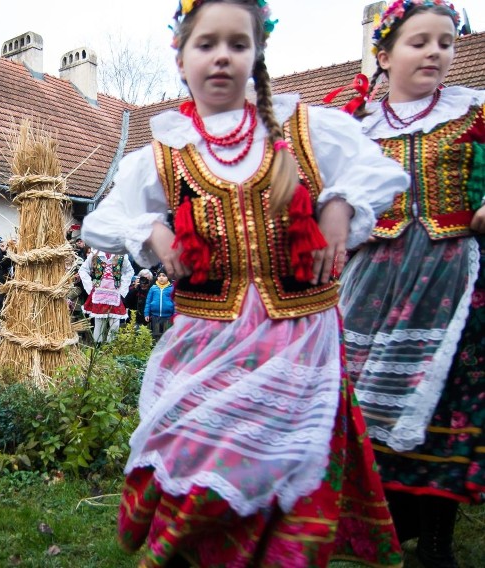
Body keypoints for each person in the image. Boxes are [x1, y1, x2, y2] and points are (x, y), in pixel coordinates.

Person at [81, 1, 411, 566]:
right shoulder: (164, 153)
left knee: (287, 463)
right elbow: (101, 220)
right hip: (208, 338)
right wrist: (154, 231)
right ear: (180, 56)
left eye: (238, 44)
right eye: (206, 44)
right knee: (206, 459)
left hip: (298, 336)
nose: (222, 57)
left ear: (257, 54)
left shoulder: (304, 130)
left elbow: (377, 169)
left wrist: (339, 204)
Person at [337, 2, 485, 566]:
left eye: (444, 42)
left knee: (444, 406)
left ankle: (440, 541)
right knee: (367, 401)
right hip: (374, 283)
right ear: (383, 54)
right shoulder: (358, 127)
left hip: (452, 282)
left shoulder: (472, 112)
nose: (434, 52)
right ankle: (387, 523)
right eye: (418, 42)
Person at [78, 249, 135, 343]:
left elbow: (129, 271)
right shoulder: (95, 254)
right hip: (99, 293)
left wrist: (123, 288)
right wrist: (90, 286)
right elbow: (83, 270)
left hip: (114, 294)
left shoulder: (121, 255)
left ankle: (110, 347)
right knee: (99, 323)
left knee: (115, 324)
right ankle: (98, 348)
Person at [144, 270, 174, 341]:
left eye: (164, 276)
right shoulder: (153, 288)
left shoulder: (171, 288)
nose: (161, 278)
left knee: (167, 336)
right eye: (159, 276)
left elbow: (175, 303)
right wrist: (146, 314)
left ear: (168, 277)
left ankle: (165, 351)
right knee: (156, 336)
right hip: (155, 316)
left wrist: (175, 315)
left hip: (168, 317)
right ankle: (155, 350)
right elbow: (148, 301)